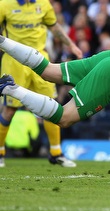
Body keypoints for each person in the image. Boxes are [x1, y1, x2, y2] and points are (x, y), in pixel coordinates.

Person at [0, 0, 83, 167]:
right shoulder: (4, 4)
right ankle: (0, 152)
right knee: (10, 109)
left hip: (40, 61)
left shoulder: (43, 4)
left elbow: (55, 27)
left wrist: (72, 45)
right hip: (14, 62)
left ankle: (56, 153)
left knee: (51, 106)